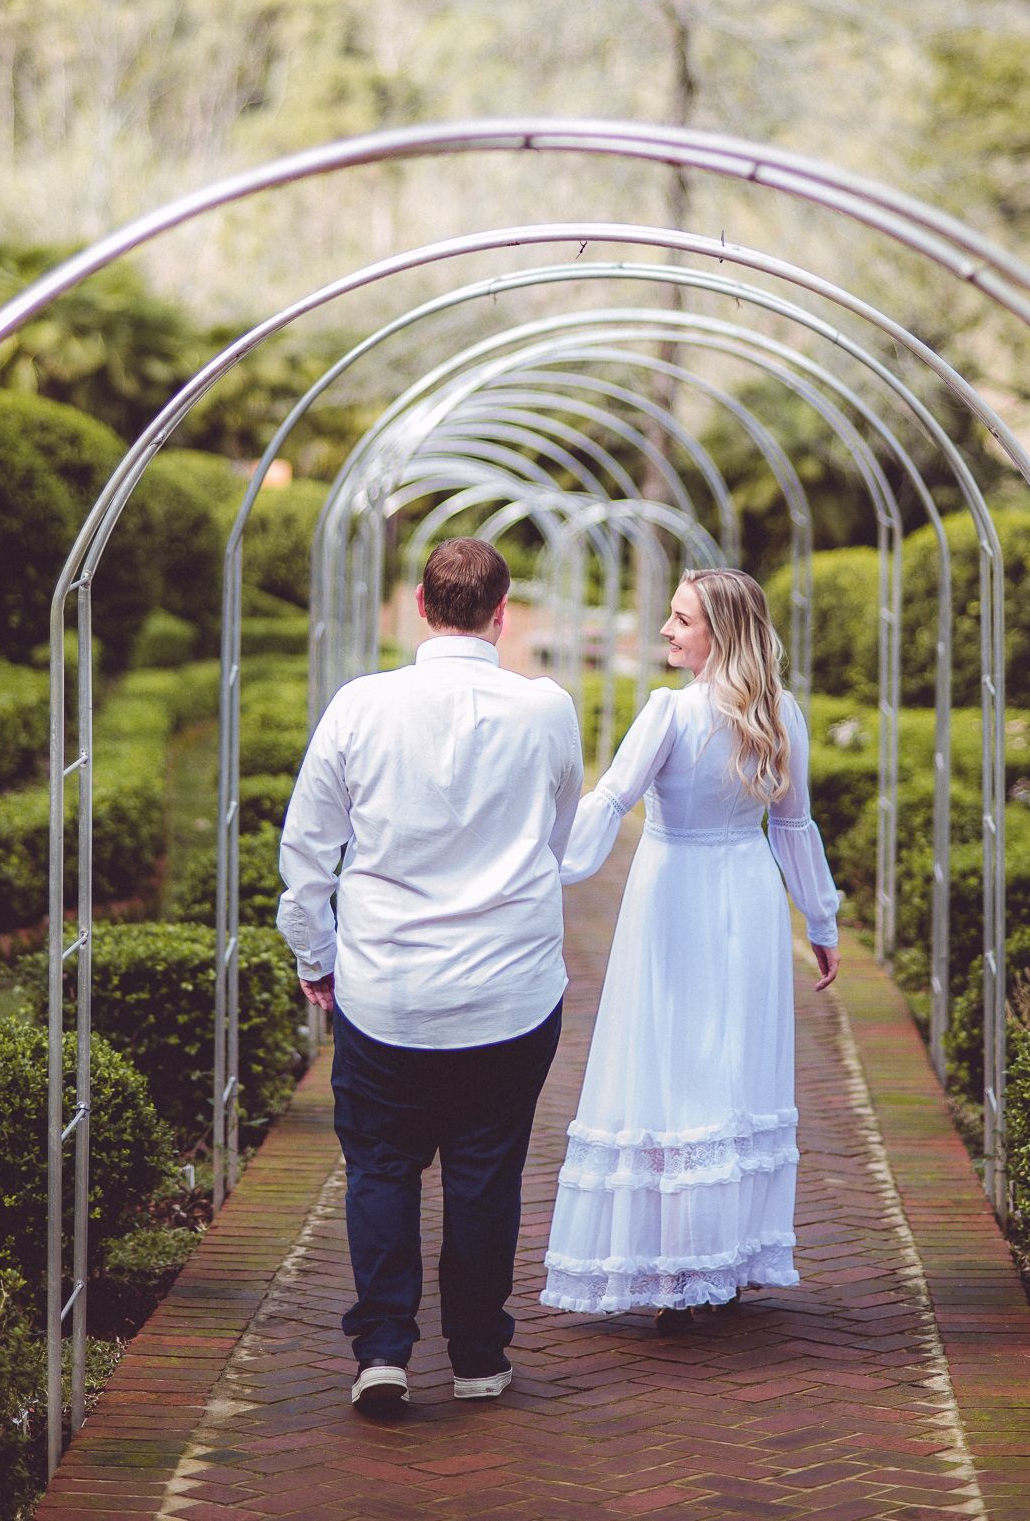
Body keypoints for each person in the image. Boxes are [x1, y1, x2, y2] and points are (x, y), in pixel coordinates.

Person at [277, 537, 584, 1409]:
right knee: (487, 1175)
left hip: (386, 990)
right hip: (510, 990)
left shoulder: (359, 706)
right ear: (502, 613)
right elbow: (556, 837)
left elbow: (307, 852)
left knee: (380, 1169)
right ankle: (480, 1356)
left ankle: (382, 1350)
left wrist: (316, 956)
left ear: (419, 604)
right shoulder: (546, 709)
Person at [540, 568, 840, 1329]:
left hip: (673, 892)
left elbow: (610, 798)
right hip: (745, 889)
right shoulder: (782, 713)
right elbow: (794, 829)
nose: (667, 632)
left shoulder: (668, 713)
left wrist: (542, 872)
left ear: (720, 634)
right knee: (731, 1068)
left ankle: (682, 1262)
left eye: (681, 620)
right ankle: (721, 1259)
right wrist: (819, 919)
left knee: (672, 1067)